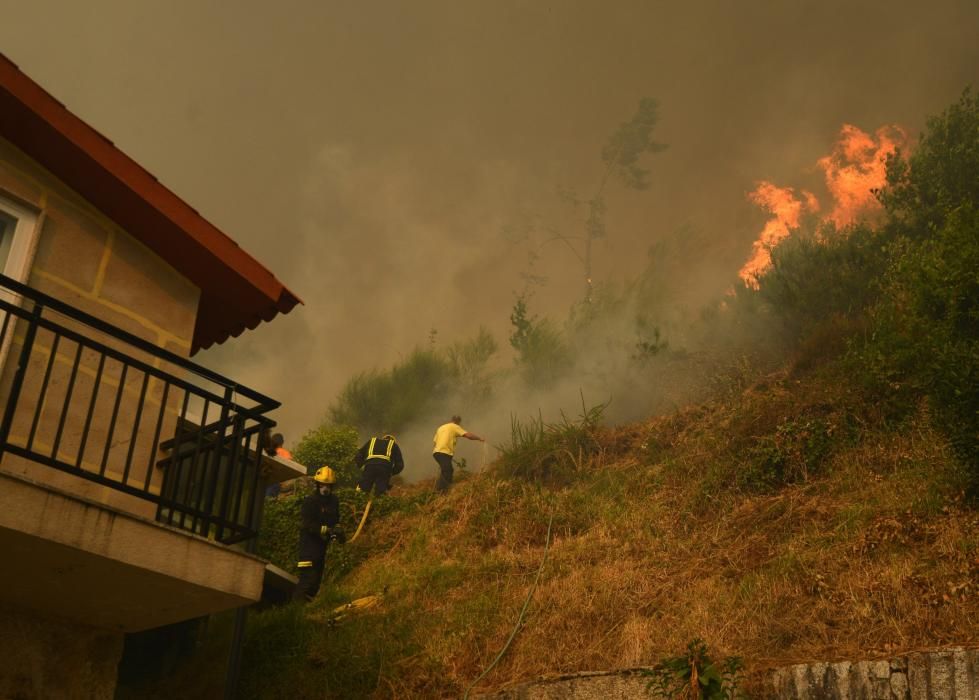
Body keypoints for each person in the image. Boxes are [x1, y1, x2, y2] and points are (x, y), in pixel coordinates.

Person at [294, 466, 345, 602]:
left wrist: (338, 530)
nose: (325, 488)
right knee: (307, 581)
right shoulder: (310, 501)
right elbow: (307, 524)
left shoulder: (334, 501)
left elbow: (335, 519)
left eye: (328, 485)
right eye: (322, 484)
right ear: (317, 484)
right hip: (309, 547)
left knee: (315, 583)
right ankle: (294, 612)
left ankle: (305, 612)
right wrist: (327, 530)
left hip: (321, 549)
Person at [432, 415, 485, 492]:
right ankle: (442, 491)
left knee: (446, 470)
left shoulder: (441, 428)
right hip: (444, 452)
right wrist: (479, 438)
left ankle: (441, 489)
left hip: (436, 452)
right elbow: (468, 435)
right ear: (458, 422)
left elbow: (435, 442)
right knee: (448, 470)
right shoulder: (454, 426)